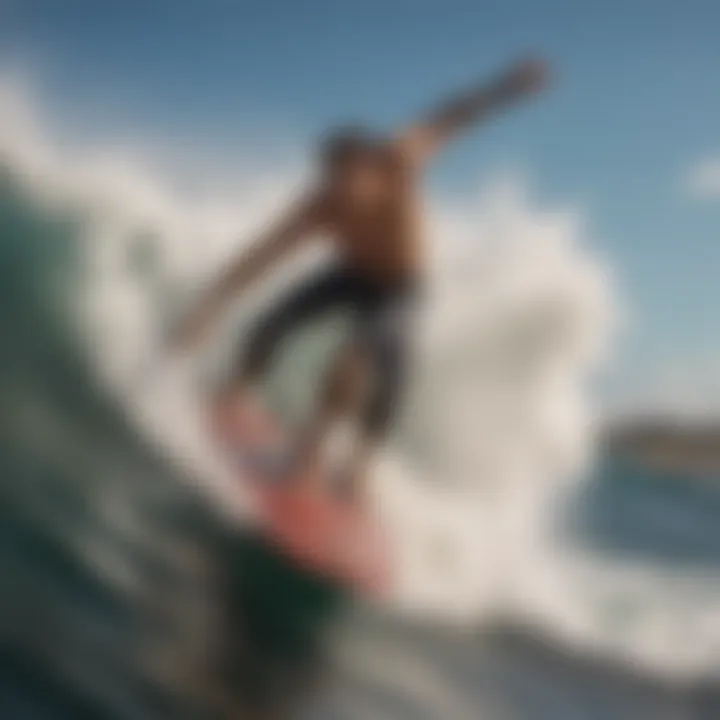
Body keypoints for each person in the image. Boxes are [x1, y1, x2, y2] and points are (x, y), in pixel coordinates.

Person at [173, 56, 549, 504]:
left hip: (402, 286)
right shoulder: (320, 205)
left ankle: (338, 461)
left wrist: (506, 86)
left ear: (368, 165)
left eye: (350, 178)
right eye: (333, 181)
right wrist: (207, 306)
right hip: (350, 275)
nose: (343, 193)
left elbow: (451, 115)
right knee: (270, 327)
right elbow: (260, 256)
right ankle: (231, 396)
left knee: (364, 363)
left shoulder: (400, 157)